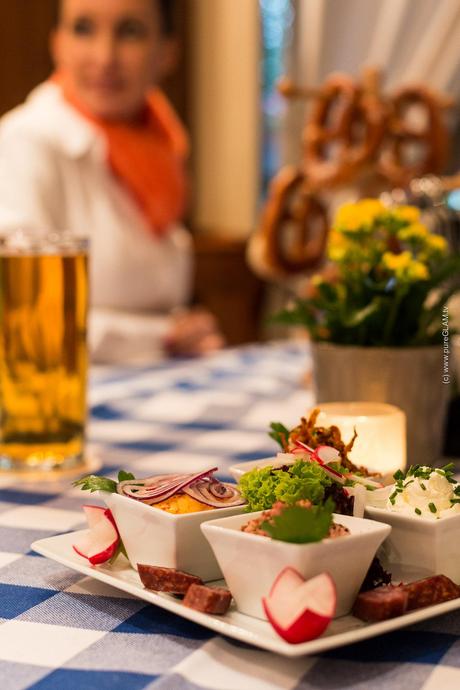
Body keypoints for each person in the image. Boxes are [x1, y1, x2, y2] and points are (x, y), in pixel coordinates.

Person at [0, 0, 224, 362]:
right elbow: (24, 314)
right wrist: (163, 336)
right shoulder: (27, 140)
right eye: (83, 29)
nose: (104, 57)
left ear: (167, 52)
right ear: (57, 43)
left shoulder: (163, 151)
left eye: (130, 32)